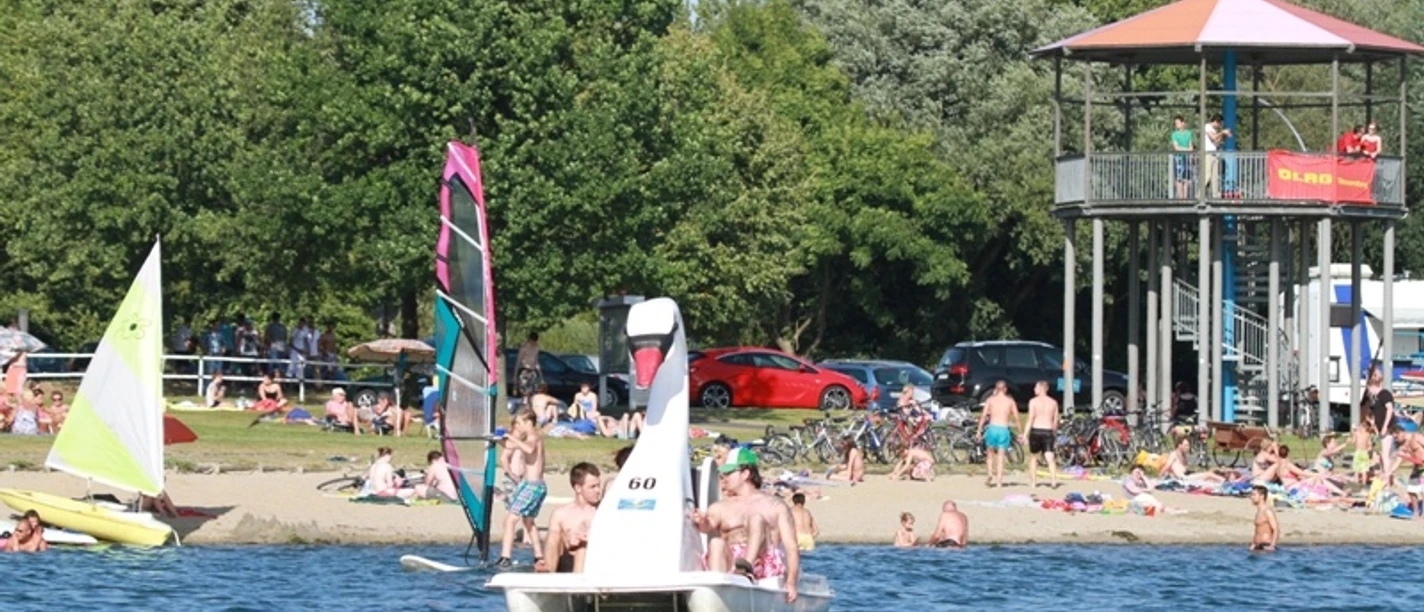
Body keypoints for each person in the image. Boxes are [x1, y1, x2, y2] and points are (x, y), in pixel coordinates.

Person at [692, 448, 799, 603]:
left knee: (756, 519)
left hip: (763, 567)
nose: (723, 477)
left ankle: (746, 567)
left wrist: (791, 582)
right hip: (730, 567)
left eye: (729, 473)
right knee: (716, 543)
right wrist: (702, 521)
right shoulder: (720, 507)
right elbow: (706, 527)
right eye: (723, 473)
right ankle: (717, 596)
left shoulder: (776, 506)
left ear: (745, 474)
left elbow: (792, 548)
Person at [496, 408, 547, 569]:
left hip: (532, 486)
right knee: (528, 521)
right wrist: (498, 439)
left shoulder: (533, 436)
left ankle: (505, 557)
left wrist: (512, 437)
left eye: (519, 423)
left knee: (510, 520)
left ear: (528, 422)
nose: (517, 426)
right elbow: (512, 445)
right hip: (532, 485)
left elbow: (529, 449)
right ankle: (539, 556)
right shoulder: (529, 437)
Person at [537, 462, 604, 573]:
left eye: (598, 486)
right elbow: (553, 543)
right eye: (593, 487)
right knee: (554, 536)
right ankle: (548, 571)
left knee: (582, 548)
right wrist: (571, 544)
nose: (598, 490)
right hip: (568, 562)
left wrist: (591, 540)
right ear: (578, 488)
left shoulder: (603, 511)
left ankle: (578, 586)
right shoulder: (561, 513)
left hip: (594, 563)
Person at [976, 380, 1019, 487]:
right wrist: (1021, 432)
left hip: (992, 428)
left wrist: (979, 430)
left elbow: (983, 415)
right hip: (1003, 428)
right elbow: (1017, 417)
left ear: (996, 389)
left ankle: (990, 473)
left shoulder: (990, 400)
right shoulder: (1010, 401)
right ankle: (999, 481)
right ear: (1005, 389)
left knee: (989, 453)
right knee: (1001, 456)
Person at [1365, 363, 1401, 483]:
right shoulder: (1376, 398)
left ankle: (1387, 476)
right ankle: (1384, 472)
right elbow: (1376, 413)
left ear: (1373, 387)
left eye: (1370, 390)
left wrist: (1385, 426)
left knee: (1385, 453)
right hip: (1380, 428)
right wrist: (1374, 423)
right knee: (1382, 453)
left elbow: (1390, 409)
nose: (1370, 392)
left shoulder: (1384, 394)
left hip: (1388, 428)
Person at [1022, 380, 1060, 489]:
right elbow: (1055, 421)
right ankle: (1053, 481)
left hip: (1036, 430)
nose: (1034, 389)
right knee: (1050, 457)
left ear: (1041, 389)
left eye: (1036, 388)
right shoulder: (1053, 402)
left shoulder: (1033, 401)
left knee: (1034, 457)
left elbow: (1030, 418)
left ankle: (1033, 482)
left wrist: (1025, 434)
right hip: (1048, 430)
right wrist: (1054, 434)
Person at [1161, 437, 1225, 484]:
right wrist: (1158, 478)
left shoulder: (1183, 455)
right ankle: (1225, 482)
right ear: (1179, 445)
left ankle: (1222, 482)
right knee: (1209, 474)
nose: (1188, 447)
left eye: (1188, 445)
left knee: (1210, 476)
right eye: (1185, 445)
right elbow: (1167, 466)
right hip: (1183, 479)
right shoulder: (1174, 454)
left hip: (1186, 477)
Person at [1202, 113, 1230, 197]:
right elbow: (1213, 138)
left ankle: (1215, 195)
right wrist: (1222, 132)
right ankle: (1199, 195)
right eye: (1219, 124)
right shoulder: (1207, 127)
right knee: (1207, 175)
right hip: (1207, 154)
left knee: (1215, 177)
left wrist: (1224, 136)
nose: (1219, 126)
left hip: (1214, 154)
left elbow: (1217, 142)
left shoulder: (1215, 131)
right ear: (1216, 121)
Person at [1170, 115, 1194, 199]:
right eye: (1175, 123)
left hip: (1187, 158)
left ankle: (1185, 197)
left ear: (1183, 123)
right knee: (1179, 178)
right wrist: (1187, 149)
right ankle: (1181, 198)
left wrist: (1186, 150)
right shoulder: (1174, 134)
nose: (1176, 125)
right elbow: (1176, 148)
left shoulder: (1189, 133)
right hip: (1178, 158)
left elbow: (1191, 147)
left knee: (1186, 178)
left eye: (1178, 123)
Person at [1249, 485, 1278, 552]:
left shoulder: (1267, 511)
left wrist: (1272, 546)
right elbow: (1258, 530)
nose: (1252, 497)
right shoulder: (1259, 511)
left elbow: (1275, 529)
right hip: (1257, 546)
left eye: (1254, 495)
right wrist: (1253, 544)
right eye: (1251, 495)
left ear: (1262, 496)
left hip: (1266, 546)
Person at [515, 332, 542, 402]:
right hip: (524, 371)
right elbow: (518, 361)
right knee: (524, 392)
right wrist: (515, 375)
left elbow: (536, 361)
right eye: (532, 341)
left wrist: (541, 375)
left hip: (533, 372)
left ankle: (530, 408)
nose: (533, 343)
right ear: (529, 340)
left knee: (533, 392)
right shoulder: (524, 348)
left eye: (534, 341)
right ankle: (524, 407)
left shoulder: (536, 349)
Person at [1351, 416, 1375, 485]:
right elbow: (1370, 445)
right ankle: (1363, 484)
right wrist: (1369, 450)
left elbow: (1353, 442)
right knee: (1362, 471)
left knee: (1357, 471)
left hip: (1359, 452)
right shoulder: (1367, 434)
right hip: (1364, 453)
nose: (1360, 428)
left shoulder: (1358, 433)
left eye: (1361, 426)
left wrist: (1353, 433)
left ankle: (1357, 484)